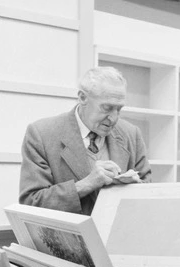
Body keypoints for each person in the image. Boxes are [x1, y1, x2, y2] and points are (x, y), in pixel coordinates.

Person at [19, 66, 151, 215]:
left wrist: (135, 187)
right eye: (107, 108)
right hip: (69, 237)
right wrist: (87, 184)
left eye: (119, 109)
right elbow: (31, 202)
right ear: (82, 98)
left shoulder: (131, 134)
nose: (114, 118)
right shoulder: (41, 134)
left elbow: (148, 194)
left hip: (118, 235)